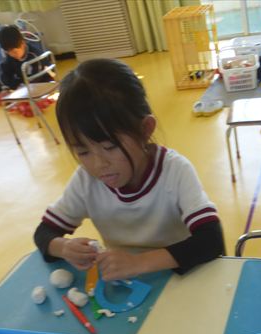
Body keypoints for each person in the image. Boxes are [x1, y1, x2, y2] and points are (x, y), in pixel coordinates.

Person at [33, 59, 225, 280]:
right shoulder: (86, 181)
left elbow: (211, 240)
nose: (99, 164)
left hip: (180, 277)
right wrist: (64, 248)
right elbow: (43, 233)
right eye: (83, 152)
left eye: (110, 147)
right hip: (128, 281)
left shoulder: (174, 171)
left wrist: (138, 262)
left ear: (145, 130)